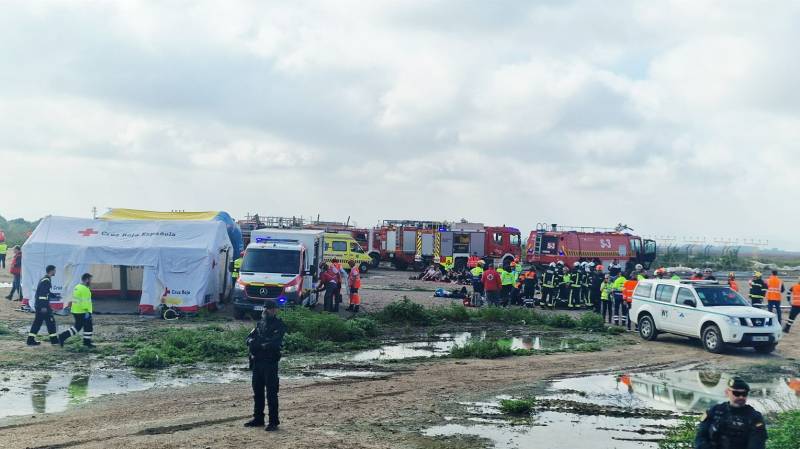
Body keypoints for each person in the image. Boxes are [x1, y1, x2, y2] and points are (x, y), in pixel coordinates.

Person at [244, 300, 286, 432]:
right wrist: (258, 344)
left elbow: (274, 343)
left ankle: (273, 421)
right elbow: (249, 339)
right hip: (257, 362)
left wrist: (261, 344)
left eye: (272, 309)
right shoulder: (260, 323)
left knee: (272, 393)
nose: (269, 311)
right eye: (267, 309)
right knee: (258, 392)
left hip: (270, 363)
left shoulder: (279, 325)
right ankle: (258, 418)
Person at [694, 378, 767, 449]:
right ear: (727, 392)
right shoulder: (715, 411)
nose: (741, 397)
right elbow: (701, 437)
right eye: (737, 393)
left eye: (744, 394)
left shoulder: (754, 417)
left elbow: (757, 443)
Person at [58, 273, 95, 348]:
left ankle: (62, 336)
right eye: (90, 280)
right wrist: (87, 312)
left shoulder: (77, 287)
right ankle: (87, 343)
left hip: (76, 311)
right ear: (87, 279)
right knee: (88, 327)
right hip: (83, 312)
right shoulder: (85, 289)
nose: (91, 282)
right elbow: (85, 301)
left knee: (77, 327)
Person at [27, 265, 60, 346]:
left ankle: (30, 340)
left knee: (38, 323)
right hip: (43, 306)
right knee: (51, 321)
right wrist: (44, 307)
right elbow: (42, 295)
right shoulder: (46, 281)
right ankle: (54, 341)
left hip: (39, 305)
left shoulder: (45, 279)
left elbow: (46, 292)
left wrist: (54, 296)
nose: (55, 272)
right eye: (55, 270)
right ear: (51, 271)